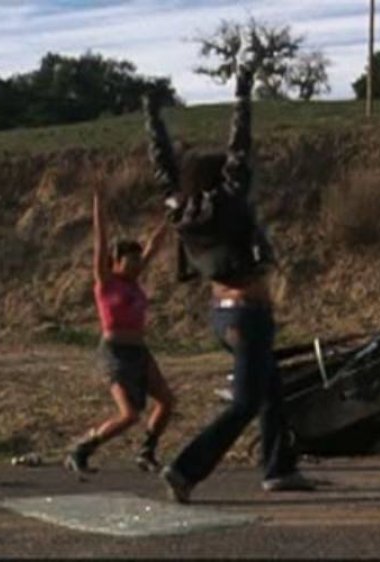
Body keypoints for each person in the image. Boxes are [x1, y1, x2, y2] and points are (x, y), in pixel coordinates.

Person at [144, 42, 312, 503]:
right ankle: (185, 469)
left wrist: (153, 119)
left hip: (223, 312)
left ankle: (279, 467)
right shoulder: (224, 204)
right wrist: (241, 94)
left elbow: (162, 168)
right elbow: (240, 150)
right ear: (218, 179)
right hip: (247, 314)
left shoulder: (179, 208)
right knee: (244, 403)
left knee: (270, 389)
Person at [64, 184, 175, 474]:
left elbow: (155, 242)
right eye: (132, 259)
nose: (139, 263)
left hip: (139, 350)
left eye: (140, 259)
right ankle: (82, 448)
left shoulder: (135, 281)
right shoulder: (106, 281)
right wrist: (99, 201)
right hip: (115, 352)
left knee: (166, 400)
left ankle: (146, 451)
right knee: (129, 415)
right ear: (116, 262)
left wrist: (173, 215)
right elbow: (100, 240)